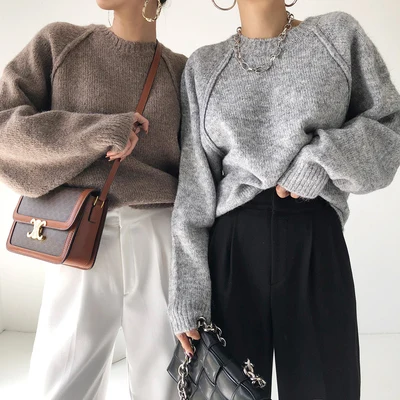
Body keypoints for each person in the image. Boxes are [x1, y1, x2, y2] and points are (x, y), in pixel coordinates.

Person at [168, 0, 400, 399]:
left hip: (315, 241)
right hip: (232, 251)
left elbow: (391, 128)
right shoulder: (204, 66)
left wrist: (320, 160)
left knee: (327, 390)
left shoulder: (336, 37)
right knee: (227, 392)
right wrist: (187, 295)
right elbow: (194, 189)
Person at [0, 0, 186, 399]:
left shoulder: (180, 71)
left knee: (166, 386)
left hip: (162, 235)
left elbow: (199, 171)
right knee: (62, 385)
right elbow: (4, 127)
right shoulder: (60, 44)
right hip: (81, 233)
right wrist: (94, 132)